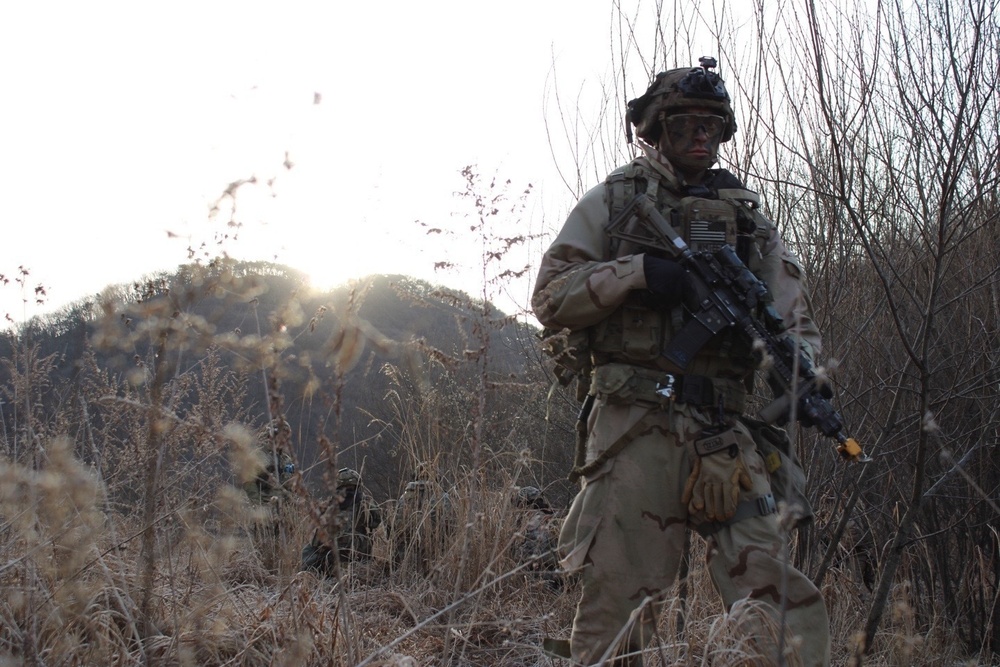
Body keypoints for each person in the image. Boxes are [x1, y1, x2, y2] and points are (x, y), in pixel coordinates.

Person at [532, 57, 830, 666]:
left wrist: (803, 372)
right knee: (617, 601)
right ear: (658, 129)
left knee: (774, 594)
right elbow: (550, 295)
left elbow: (793, 320)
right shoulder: (615, 201)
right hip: (635, 424)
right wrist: (637, 272)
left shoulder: (747, 218)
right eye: (688, 125)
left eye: (713, 127)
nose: (702, 138)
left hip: (724, 432)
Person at [301, 467, 383, 574]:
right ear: (357, 484)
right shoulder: (365, 502)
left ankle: (312, 572)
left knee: (308, 551)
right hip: (358, 551)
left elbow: (316, 529)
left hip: (330, 552)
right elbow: (375, 523)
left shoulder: (329, 504)